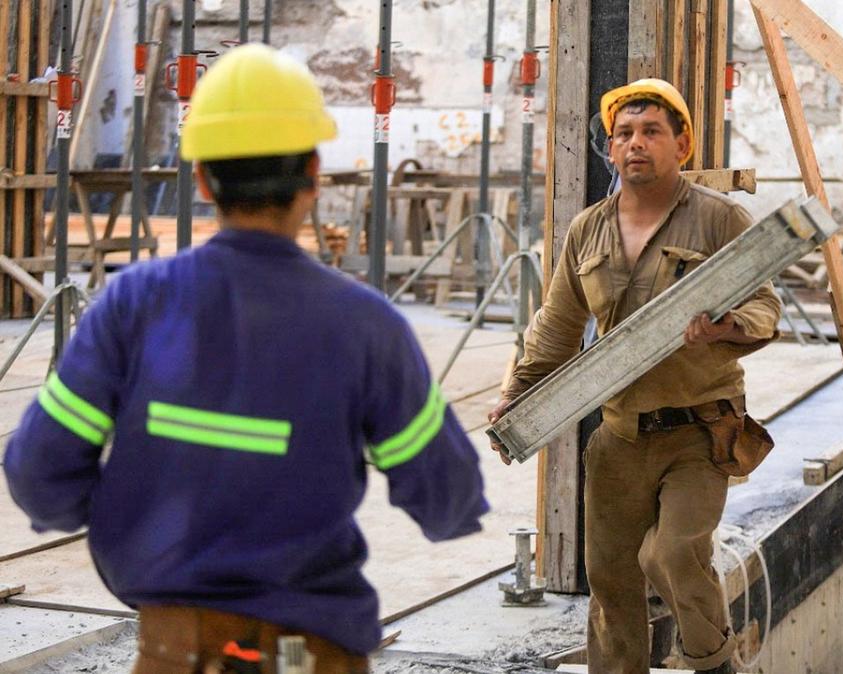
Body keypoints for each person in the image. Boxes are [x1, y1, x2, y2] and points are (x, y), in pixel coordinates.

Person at [3, 44, 487, 674]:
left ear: (201, 179)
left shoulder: (132, 303)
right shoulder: (368, 326)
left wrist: (123, 520)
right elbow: (448, 498)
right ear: (312, 175)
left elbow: (39, 472)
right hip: (315, 654)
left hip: (175, 650)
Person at [489, 78, 781, 674]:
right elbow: (556, 327)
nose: (635, 143)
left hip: (700, 434)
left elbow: (765, 308)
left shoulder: (720, 220)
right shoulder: (587, 231)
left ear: (682, 145)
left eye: (652, 131)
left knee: (672, 553)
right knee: (610, 581)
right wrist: (513, 399)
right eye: (624, 134)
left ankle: (711, 661)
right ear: (612, 149)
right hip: (619, 438)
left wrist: (725, 326)